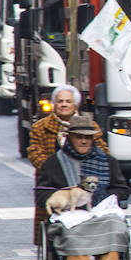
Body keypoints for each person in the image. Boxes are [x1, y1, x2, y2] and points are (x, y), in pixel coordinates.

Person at [35, 115, 130, 260]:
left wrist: (106, 200)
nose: (84, 141)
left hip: (99, 212)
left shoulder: (108, 161)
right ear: (70, 137)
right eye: (79, 137)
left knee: (114, 223)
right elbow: (42, 194)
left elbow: (121, 188)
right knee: (68, 226)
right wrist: (59, 198)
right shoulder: (54, 163)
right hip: (70, 213)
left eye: (87, 137)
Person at [28, 84, 109, 243]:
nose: (64, 104)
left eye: (68, 101)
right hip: (53, 183)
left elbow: (103, 151)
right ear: (54, 104)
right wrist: (56, 170)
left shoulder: (91, 126)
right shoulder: (40, 127)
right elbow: (34, 153)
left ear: (76, 105)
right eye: (60, 101)